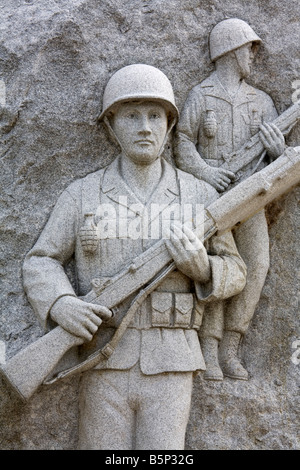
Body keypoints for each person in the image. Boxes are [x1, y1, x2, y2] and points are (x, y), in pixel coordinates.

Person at [23, 64, 246, 450]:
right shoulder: (83, 194)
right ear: (111, 126)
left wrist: (204, 268)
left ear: (170, 125)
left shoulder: (200, 197)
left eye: (155, 115)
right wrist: (61, 304)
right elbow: (41, 260)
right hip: (103, 359)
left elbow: (236, 271)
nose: (145, 127)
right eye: (131, 115)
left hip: (172, 360)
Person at [175, 18, 285, 381]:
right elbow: (184, 142)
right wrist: (206, 173)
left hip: (251, 198)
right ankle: (208, 346)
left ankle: (232, 348)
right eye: (247, 48)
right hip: (213, 200)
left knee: (256, 266)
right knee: (217, 267)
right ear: (230, 50)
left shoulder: (262, 101)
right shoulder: (200, 95)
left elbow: (277, 160)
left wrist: (276, 151)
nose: (252, 55)